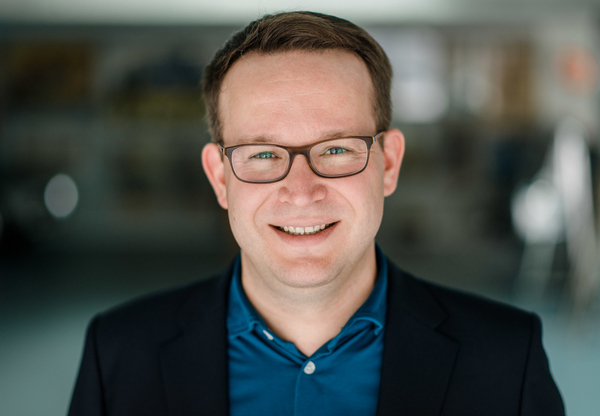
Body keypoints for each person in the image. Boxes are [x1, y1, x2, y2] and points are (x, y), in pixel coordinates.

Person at [68, 11, 565, 416]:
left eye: (337, 149)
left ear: (389, 164)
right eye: (263, 154)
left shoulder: (507, 357)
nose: (301, 192)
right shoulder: (118, 353)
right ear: (220, 178)